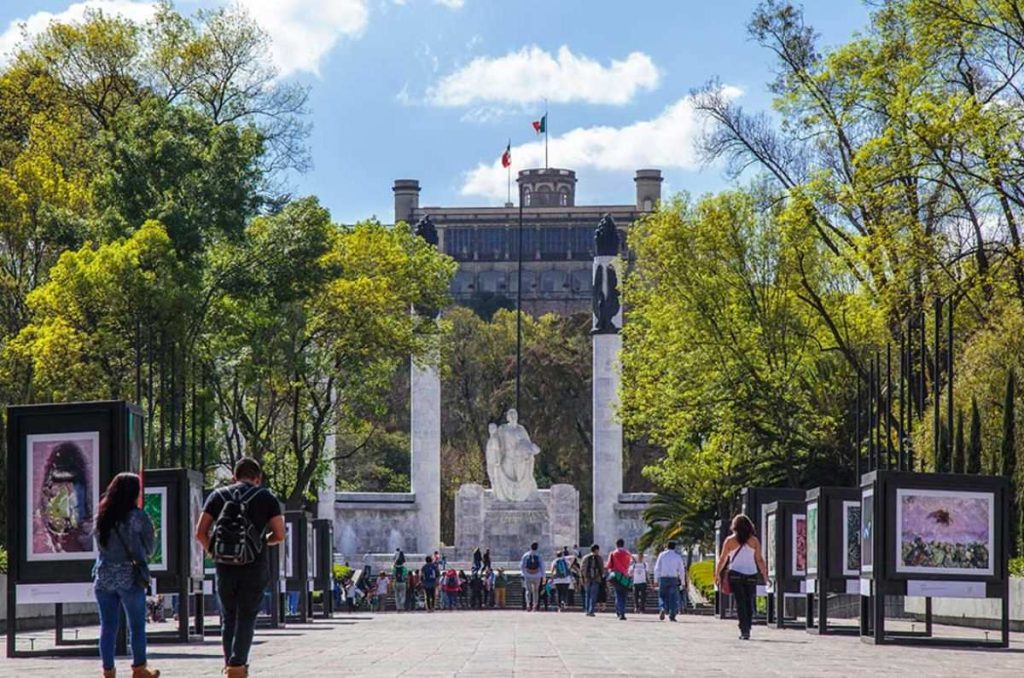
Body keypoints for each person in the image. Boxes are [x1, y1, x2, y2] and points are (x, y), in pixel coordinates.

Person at [197, 457, 285, 678]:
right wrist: (263, 541)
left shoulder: (218, 496)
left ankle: (230, 664)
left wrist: (215, 552)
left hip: (224, 566)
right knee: (247, 616)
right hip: (254, 565)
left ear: (234, 476)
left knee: (228, 616)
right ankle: (238, 665)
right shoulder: (266, 497)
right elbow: (280, 534)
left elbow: (200, 532)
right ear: (258, 478)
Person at [93, 473, 160, 678]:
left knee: (108, 626)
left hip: (103, 576)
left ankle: (108, 670)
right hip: (130, 577)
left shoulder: (101, 516)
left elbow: (100, 546)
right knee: (137, 625)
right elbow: (150, 548)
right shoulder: (138, 517)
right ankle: (139, 669)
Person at [715, 514, 767, 640]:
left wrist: (717, 574)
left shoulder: (730, 540)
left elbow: (722, 560)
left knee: (740, 602)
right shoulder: (754, 541)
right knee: (749, 601)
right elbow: (759, 559)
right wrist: (765, 574)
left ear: (735, 526)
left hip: (736, 574)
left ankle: (744, 629)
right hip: (751, 574)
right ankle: (748, 626)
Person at [654, 542, 686, 621]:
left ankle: (662, 608)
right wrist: (683, 582)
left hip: (663, 578)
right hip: (673, 579)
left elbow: (657, 568)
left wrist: (655, 580)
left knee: (662, 595)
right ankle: (672, 616)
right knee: (673, 598)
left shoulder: (662, 555)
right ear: (674, 547)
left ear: (666, 546)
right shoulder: (677, 556)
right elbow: (681, 570)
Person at [605, 538, 633, 620]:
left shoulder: (613, 553)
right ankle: (622, 611)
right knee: (624, 595)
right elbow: (630, 565)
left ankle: (620, 612)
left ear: (616, 544)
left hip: (616, 576)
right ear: (623, 544)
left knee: (618, 594)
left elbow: (609, 565)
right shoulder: (628, 554)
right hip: (625, 576)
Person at [580, 544, 604, 617]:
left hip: (587, 579)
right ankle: (591, 610)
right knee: (593, 595)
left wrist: (583, 578)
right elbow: (602, 568)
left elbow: (582, 568)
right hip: (595, 579)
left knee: (588, 595)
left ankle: (588, 610)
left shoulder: (585, 557)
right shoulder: (599, 558)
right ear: (596, 550)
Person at [520, 542, 545, 611]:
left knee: (528, 590)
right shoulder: (539, 555)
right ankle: (534, 605)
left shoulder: (526, 555)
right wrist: (543, 576)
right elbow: (542, 566)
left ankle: (528, 604)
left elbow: (522, 566)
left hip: (528, 575)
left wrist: (523, 573)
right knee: (536, 591)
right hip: (537, 575)